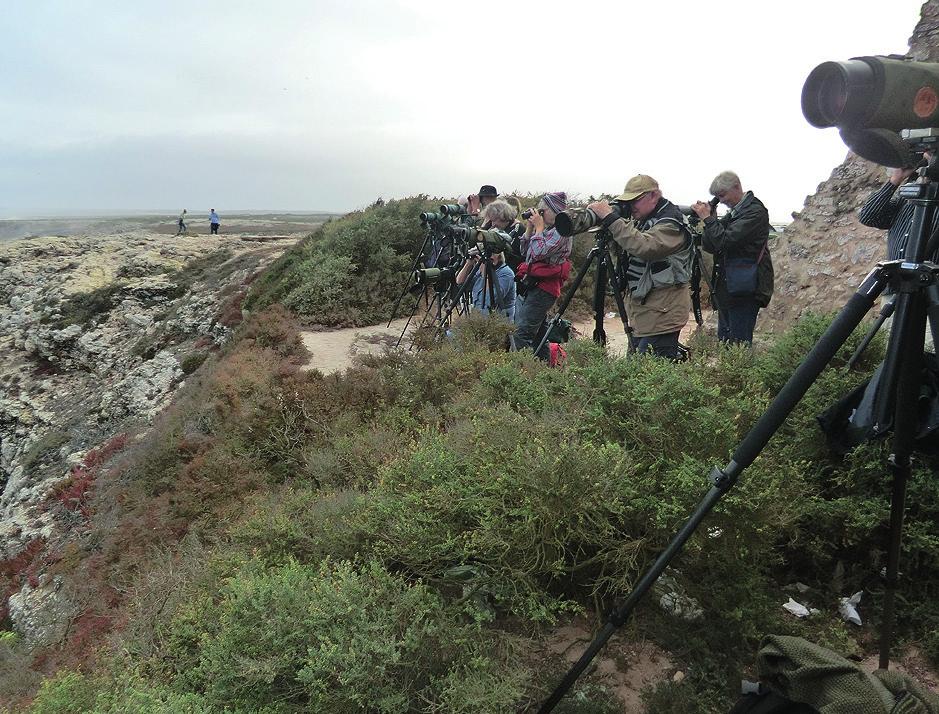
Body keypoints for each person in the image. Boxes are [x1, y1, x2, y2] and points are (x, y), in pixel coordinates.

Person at [588, 175, 692, 359]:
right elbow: (629, 249)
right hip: (645, 315)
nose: (631, 206)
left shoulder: (671, 223)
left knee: (649, 378)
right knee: (637, 372)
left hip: (662, 316)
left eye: (635, 200)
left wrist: (612, 219)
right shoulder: (645, 219)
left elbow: (645, 246)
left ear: (654, 195)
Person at [692, 171, 773, 346]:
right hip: (730, 287)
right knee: (725, 342)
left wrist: (708, 219)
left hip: (745, 289)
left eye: (722, 195)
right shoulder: (736, 212)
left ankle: (740, 373)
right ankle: (732, 372)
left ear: (736, 187)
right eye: (717, 197)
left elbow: (724, 242)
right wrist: (710, 219)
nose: (721, 201)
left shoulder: (755, 212)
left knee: (739, 344)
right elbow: (710, 246)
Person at [512, 192, 572, 359]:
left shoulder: (562, 232)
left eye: (542, 211)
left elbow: (538, 251)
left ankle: (522, 371)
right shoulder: (548, 231)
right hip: (536, 286)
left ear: (554, 211)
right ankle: (546, 371)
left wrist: (539, 228)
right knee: (539, 335)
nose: (540, 214)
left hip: (545, 289)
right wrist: (531, 228)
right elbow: (525, 252)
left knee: (521, 334)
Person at [858, 157, 939, 263]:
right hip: (898, 277)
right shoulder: (905, 198)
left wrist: (934, 162)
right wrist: (896, 179)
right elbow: (868, 217)